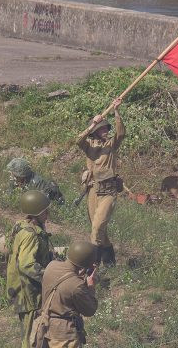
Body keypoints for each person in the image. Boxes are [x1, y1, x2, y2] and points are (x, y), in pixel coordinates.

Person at [76, 98, 124, 266]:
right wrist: (92, 124)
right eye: (101, 128)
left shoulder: (111, 144)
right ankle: (109, 261)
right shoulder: (89, 145)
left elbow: (121, 133)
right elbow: (78, 140)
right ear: (95, 131)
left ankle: (92, 269)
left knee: (97, 229)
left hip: (108, 192)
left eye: (106, 127)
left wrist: (116, 111)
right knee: (98, 229)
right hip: (93, 191)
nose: (105, 130)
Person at [6, 190, 53, 348]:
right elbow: (26, 264)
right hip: (28, 293)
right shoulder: (31, 235)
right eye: (45, 210)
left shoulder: (22, 226)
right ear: (36, 213)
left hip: (25, 289)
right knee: (31, 337)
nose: (48, 213)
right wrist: (49, 276)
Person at [39, 241, 98, 348]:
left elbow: (65, 280)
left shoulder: (51, 266)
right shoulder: (77, 285)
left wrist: (78, 275)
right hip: (63, 335)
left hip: (43, 326)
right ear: (87, 264)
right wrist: (91, 286)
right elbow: (90, 310)